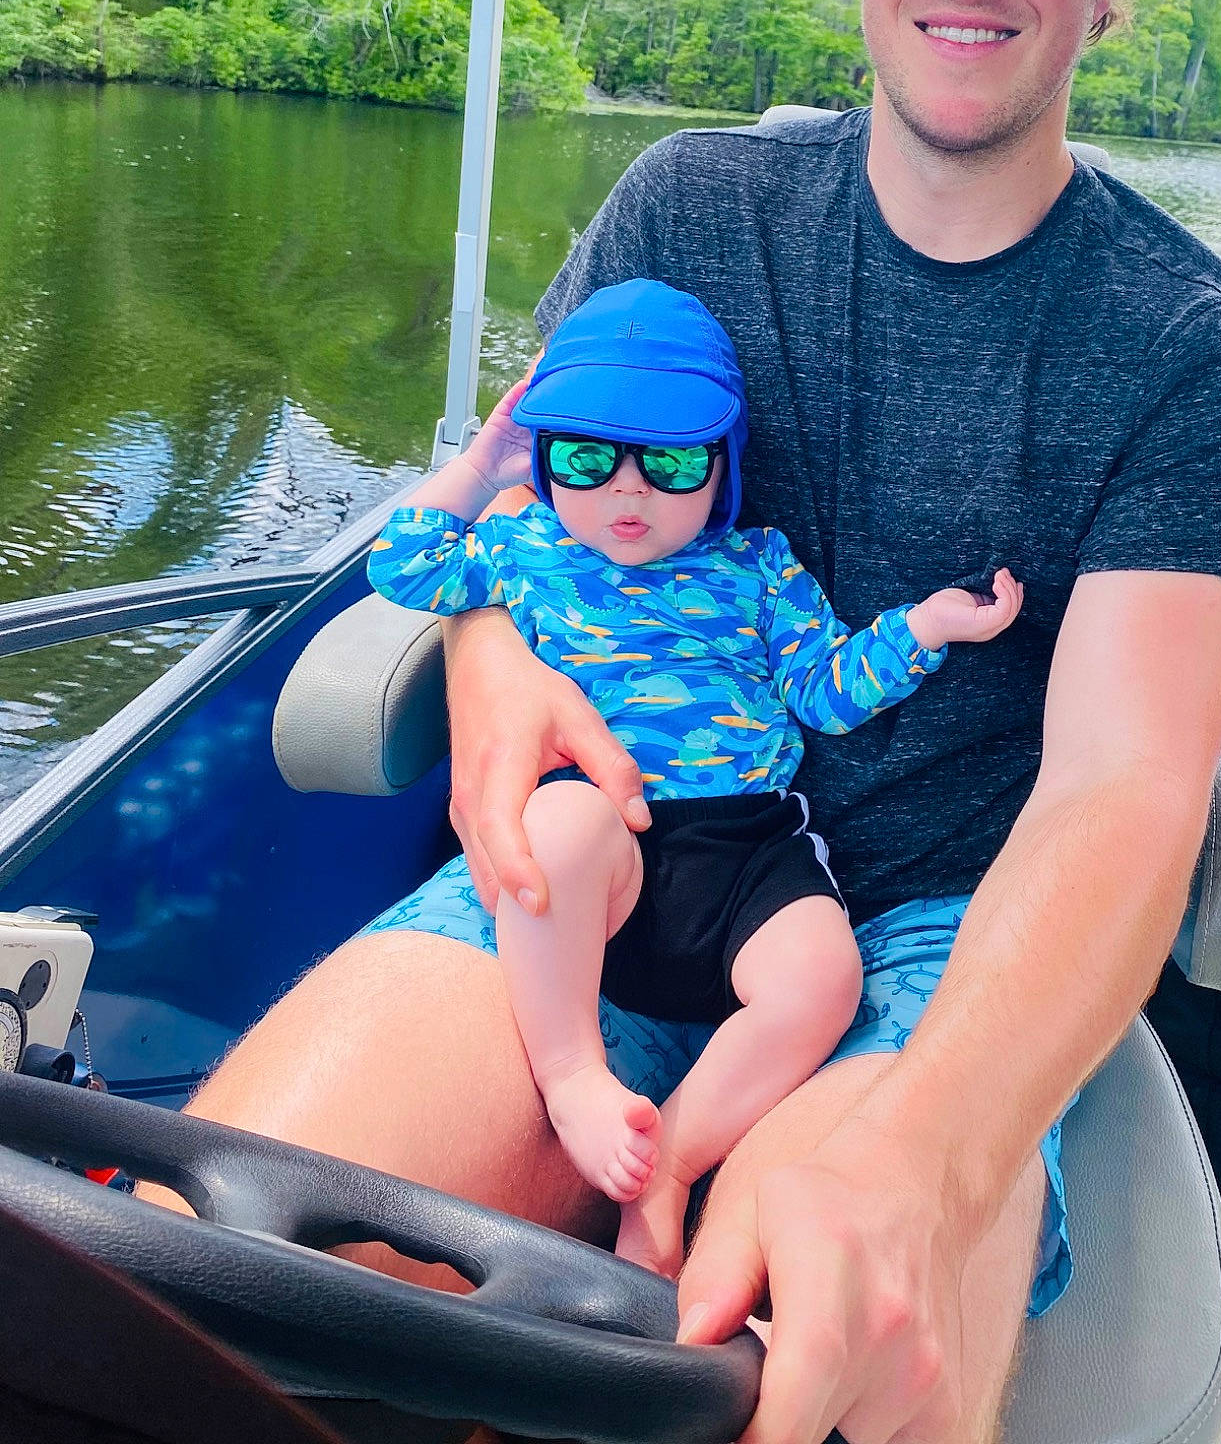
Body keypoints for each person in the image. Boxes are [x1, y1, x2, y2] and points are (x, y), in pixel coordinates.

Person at [166, 0, 1221, 1444]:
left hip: (932, 933)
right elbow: (519, 517)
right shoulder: (683, 208)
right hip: (606, 842)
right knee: (204, 1296)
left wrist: (929, 1128)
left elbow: (1121, 791)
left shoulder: (1191, 349)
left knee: (823, 1370)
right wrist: (488, 656)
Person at [363, 278, 1021, 1272]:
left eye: (670, 463)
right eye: (587, 457)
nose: (628, 491)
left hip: (746, 845)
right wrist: (480, 462)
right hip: (606, 844)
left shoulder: (759, 565)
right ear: (546, 459)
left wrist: (924, 627)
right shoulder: (518, 543)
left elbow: (825, 689)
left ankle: (666, 1160)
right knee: (559, 832)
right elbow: (400, 562)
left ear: (723, 467)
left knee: (822, 979)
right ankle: (575, 1072)